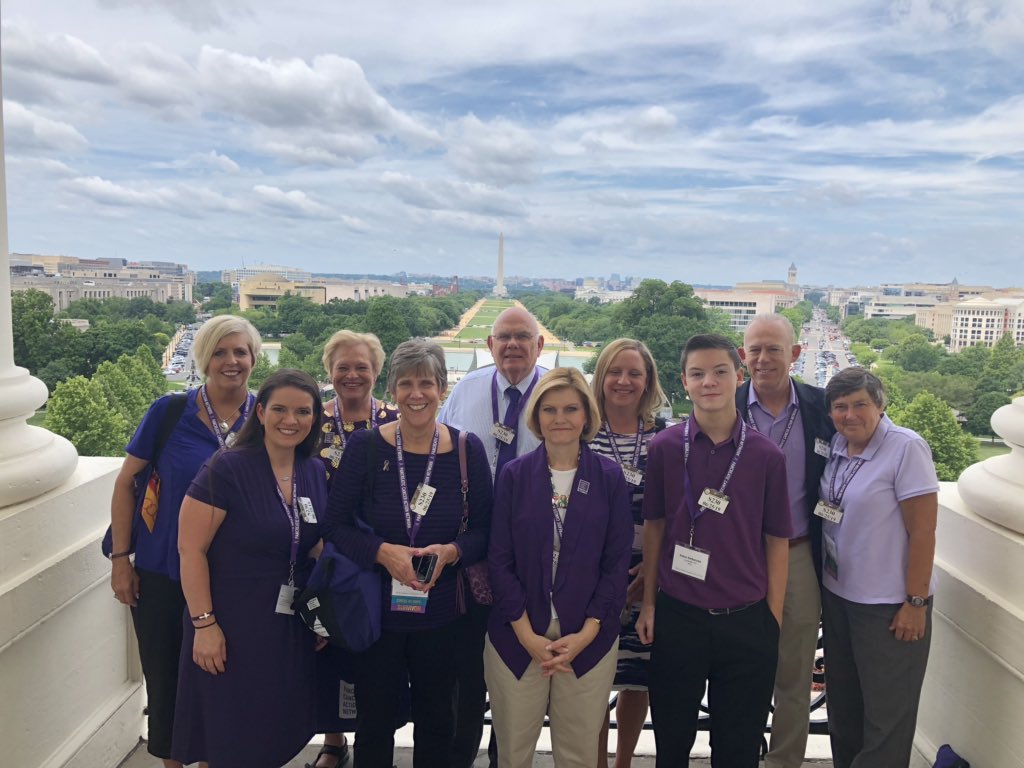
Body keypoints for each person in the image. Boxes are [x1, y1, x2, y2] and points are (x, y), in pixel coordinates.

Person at [324, 339, 493, 768]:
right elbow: (335, 526)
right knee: (375, 723)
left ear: (442, 388)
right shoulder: (365, 448)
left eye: (426, 384)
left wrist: (451, 552)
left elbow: (485, 531)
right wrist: (383, 553)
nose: (416, 394)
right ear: (393, 390)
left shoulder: (467, 449)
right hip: (378, 616)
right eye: (405, 384)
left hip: (443, 617)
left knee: (439, 722)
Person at [108, 315, 260, 768]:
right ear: (203, 358)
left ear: (253, 359)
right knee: (167, 678)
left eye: (240, 352)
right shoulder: (169, 412)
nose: (231, 362)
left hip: (235, 578)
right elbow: (125, 483)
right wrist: (120, 559)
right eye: (219, 352)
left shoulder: (267, 417)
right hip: (162, 571)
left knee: (224, 679)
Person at [638, 333, 791, 768]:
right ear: (683, 382)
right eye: (698, 374)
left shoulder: (766, 456)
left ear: (739, 377)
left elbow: (777, 541)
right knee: (672, 740)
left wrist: (772, 618)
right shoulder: (665, 447)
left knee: (738, 748)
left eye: (720, 372)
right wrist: (649, 603)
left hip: (746, 620)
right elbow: (655, 528)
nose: (710, 382)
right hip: (678, 615)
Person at [172, 369, 327, 767]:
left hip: (285, 624)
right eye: (279, 409)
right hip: (231, 621)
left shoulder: (313, 470)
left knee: (270, 729)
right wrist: (204, 625)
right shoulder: (227, 468)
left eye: (302, 411)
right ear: (260, 413)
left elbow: (313, 546)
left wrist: (320, 618)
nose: (290, 420)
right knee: (229, 733)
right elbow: (190, 550)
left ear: (314, 419)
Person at [486, 367, 633, 768]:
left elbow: (616, 564)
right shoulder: (514, 476)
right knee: (514, 752)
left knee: (578, 755)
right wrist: (526, 634)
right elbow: (498, 560)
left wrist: (587, 633)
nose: (560, 418)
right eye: (549, 410)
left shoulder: (608, 476)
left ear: (587, 415)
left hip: (587, 637)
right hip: (517, 634)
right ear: (536, 417)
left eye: (571, 408)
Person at [438, 306, 548, 768]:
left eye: (524, 336)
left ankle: (507, 757)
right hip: (472, 552)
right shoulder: (465, 392)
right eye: (504, 336)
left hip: (532, 558)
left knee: (518, 672)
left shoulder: (557, 393)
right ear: (489, 344)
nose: (513, 345)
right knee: (465, 671)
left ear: (541, 345)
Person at [818, 367, 938, 768]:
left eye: (860, 405)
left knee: (887, 718)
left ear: (880, 405)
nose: (849, 414)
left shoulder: (906, 448)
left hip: (888, 606)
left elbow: (923, 532)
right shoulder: (837, 445)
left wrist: (915, 602)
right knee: (845, 709)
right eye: (840, 407)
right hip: (838, 598)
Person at [736, 315, 835, 768]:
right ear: (742, 356)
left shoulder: (824, 408)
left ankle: (782, 762)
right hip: (736, 558)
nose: (763, 358)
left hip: (798, 556)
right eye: (754, 349)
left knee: (794, 673)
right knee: (736, 668)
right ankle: (735, 755)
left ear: (795, 355)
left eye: (773, 349)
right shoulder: (724, 405)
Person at [311, 330, 399, 768]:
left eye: (361, 366)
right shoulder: (311, 421)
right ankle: (333, 738)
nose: (352, 374)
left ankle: (373, 737)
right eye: (342, 366)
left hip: (380, 555)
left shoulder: (396, 421)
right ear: (329, 371)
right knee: (326, 644)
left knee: (374, 650)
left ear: (376, 371)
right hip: (322, 555)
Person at [589, 339, 668, 768]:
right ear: (601, 376)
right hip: (591, 579)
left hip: (646, 577)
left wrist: (650, 576)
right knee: (594, 681)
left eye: (634, 373)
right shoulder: (581, 430)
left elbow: (675, 511)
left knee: (637, 678)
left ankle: (623, 762)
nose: (623, 381)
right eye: (615, 372)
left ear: (648, 381)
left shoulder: (666, 437)